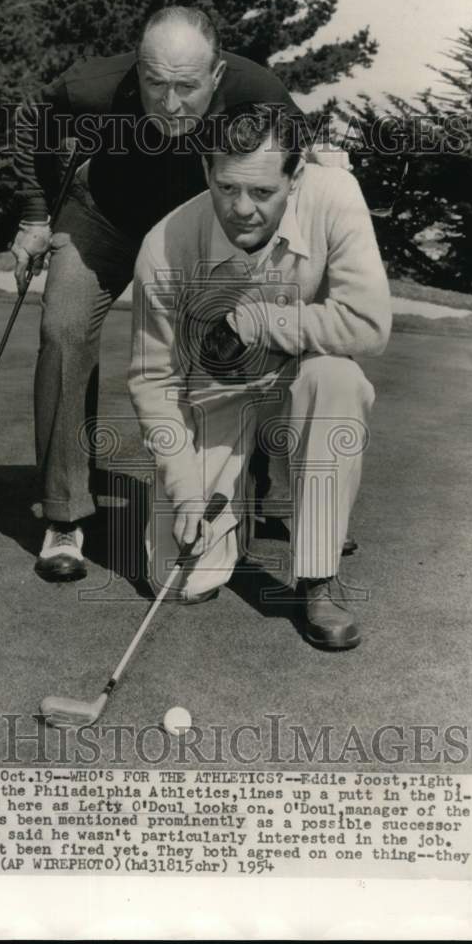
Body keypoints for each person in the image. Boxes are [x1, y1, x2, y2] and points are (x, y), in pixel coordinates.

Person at [10, 5, 348, 582]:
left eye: (187, 87)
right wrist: (35, 215)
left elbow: (296, 169)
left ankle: (251, 490)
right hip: (104, 216)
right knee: (62, 326)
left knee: (237, 337)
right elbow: (29, 122)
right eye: (155, 83)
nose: (170, 104)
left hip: (201, 224)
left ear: (216, 76)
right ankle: (65, 515)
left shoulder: (258, 92)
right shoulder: (88, 85)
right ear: (137, 69)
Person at [127, 103, 392, 650]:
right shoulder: (163, 245)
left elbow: (368, 324)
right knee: (179, 580)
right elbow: (154, 382)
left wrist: (259, 320)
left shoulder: (335, 196)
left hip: (299, 385)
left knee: (336, 379)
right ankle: (237, 495)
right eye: (227, 188)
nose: (241, 209)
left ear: (295, 178)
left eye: (263, 193)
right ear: (207, 170)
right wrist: (184, 489)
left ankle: (317, 576)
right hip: (216, 398)